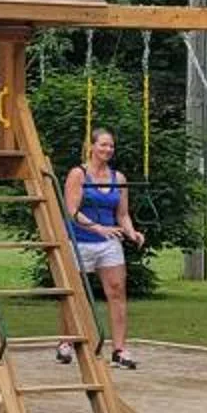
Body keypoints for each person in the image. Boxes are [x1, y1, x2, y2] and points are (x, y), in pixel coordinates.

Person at [59, 128, 144, 371]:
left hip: (109, 242)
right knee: (74, 293)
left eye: (111, 146)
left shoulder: (118, 178)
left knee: (117, 291)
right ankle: (66, 341)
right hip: (80, 239)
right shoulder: (78, 174)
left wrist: (131, 232)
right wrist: (97, 228)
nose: (108, 150)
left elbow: (123, 214)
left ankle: (119, 349)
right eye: (103, 145)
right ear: (92, 147)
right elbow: (72, 210)